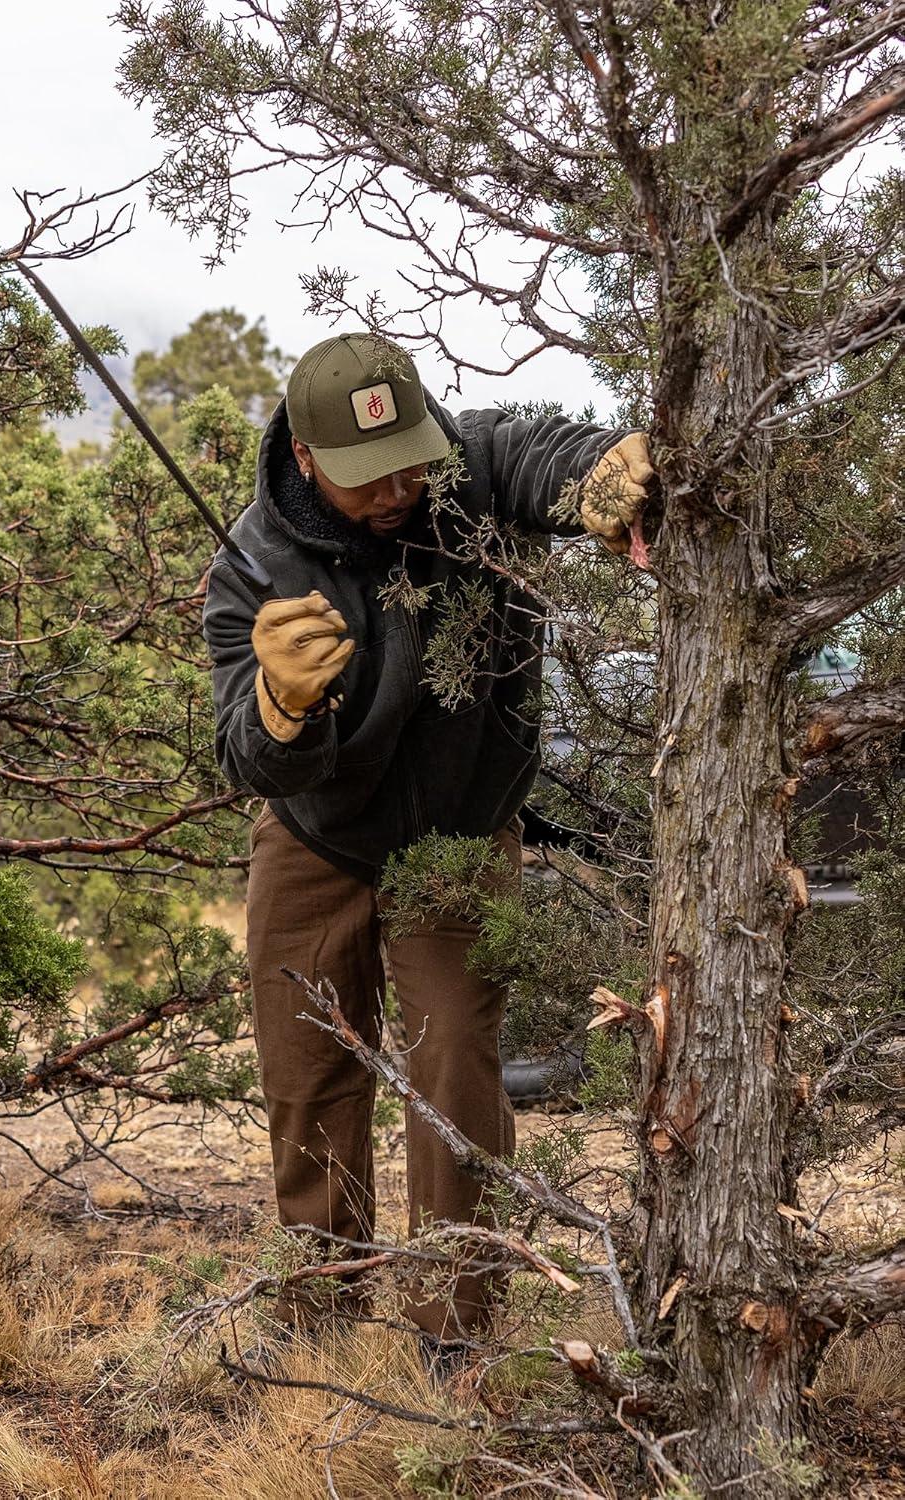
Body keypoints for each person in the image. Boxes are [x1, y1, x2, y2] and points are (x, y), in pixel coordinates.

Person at [201, 332, 650, 1351]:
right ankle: (318, 1314)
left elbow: (544, 454)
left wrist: (605, 469)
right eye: (366, 473)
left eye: (408, 458)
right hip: (316, 838)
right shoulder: (252, 566)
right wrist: (281, 707)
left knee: (454, 1066)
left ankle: (457, 1329)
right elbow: (249, 761)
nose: (395, 488)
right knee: (306, 1076)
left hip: (459, 837)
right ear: (306, 456)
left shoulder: (474, 469)